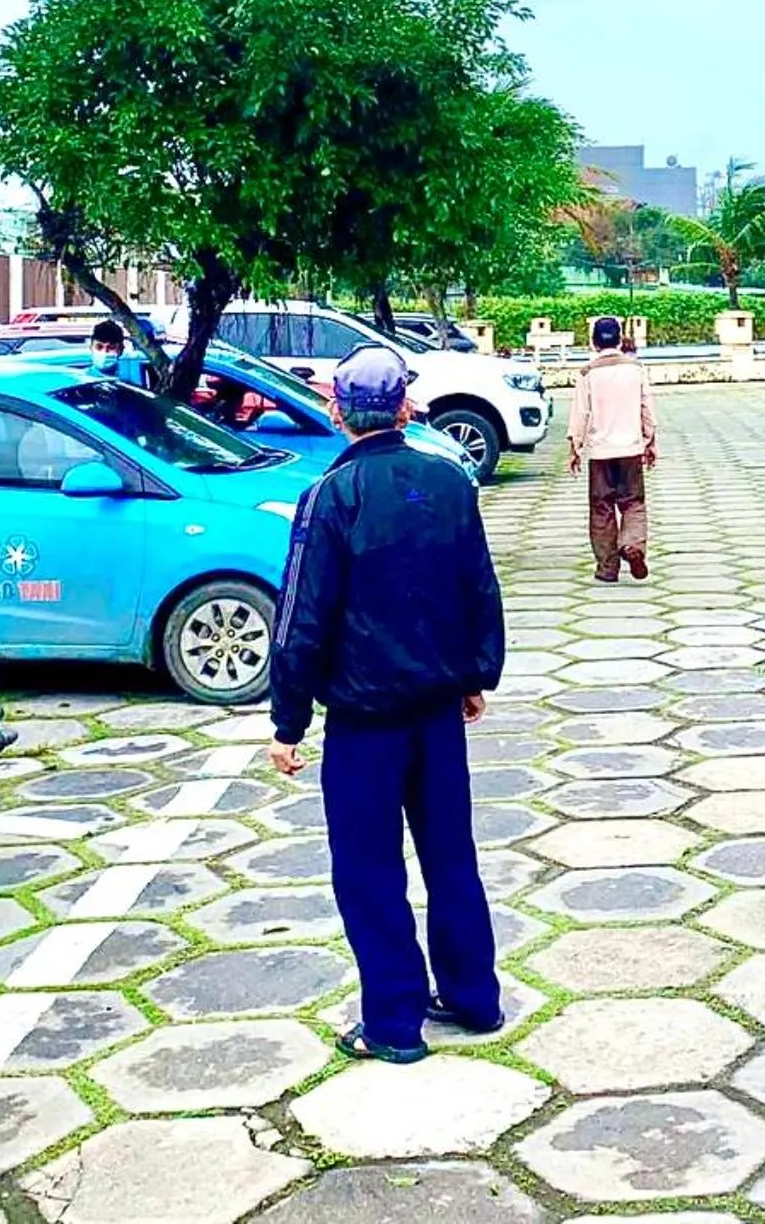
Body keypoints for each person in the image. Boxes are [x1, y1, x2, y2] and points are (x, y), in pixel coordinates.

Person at [267, 345, 507, 1064]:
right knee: (450, 856)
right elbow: (478, 589)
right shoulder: (448, 482)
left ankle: (394, 1024)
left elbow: (301, 619)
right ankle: (474, 998)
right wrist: (474, 676)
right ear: (406, 407)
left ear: (337, 412)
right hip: (437, 715)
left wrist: (288, 722)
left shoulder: (330, 497)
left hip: (366, 724)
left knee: (369, 870)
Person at [567, 314, 656, 583]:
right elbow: (646, 408)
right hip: (630, 448)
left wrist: (575, 447)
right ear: (620, 339)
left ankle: (607, 568)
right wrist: (650, 440)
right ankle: (632, 545)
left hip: (601, 452)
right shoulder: (636, 369)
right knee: (634, 503)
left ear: (594, 342)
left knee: (602, 507)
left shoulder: (588, 373)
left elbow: (580, 414)